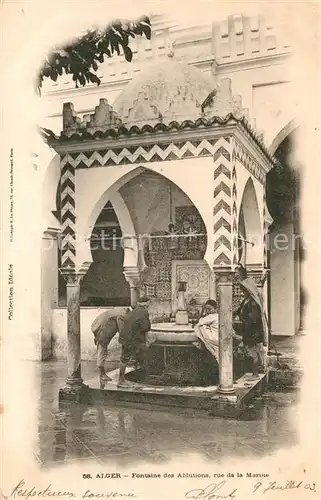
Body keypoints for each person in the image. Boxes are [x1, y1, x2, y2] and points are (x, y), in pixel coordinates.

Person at [235, 275, 269, 376]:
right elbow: (239, 311)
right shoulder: (246, 301)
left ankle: (255, 373)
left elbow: (252, 319)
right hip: (248, 330)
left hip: (253, 331)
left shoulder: (253, 303)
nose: (243, 292)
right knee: (250, 352)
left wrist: (241, 323)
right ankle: (252, 371)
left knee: (253, 352)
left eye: (244, 290)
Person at [117, 296, 151, 387]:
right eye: (148, 302)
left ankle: (124, 378)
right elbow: (145, 327)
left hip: (125, 337)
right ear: (146, 303)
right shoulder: (143, 311)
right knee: (140, 355)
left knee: (125, 357)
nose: (149, 304)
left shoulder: (134, 311)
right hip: (132, 339)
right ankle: (121, 381)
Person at [91, 307, 129, 382]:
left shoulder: (122, 310)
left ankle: (100, 369)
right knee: (102, 350)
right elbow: (122, 329)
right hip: (102, 329)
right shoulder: (123, 314)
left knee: (101, 349)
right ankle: (102, 374)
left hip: (99, 325)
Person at [193, 299, 219, 364]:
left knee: (199, 327)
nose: (207, 311)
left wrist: (202, 310)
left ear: (215, 308)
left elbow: (199, 322)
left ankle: (200, 343)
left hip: (214, 338)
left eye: (209, 309)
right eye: (206, 309)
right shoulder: (218, 315)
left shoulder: (211, 317)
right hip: (219, 336)